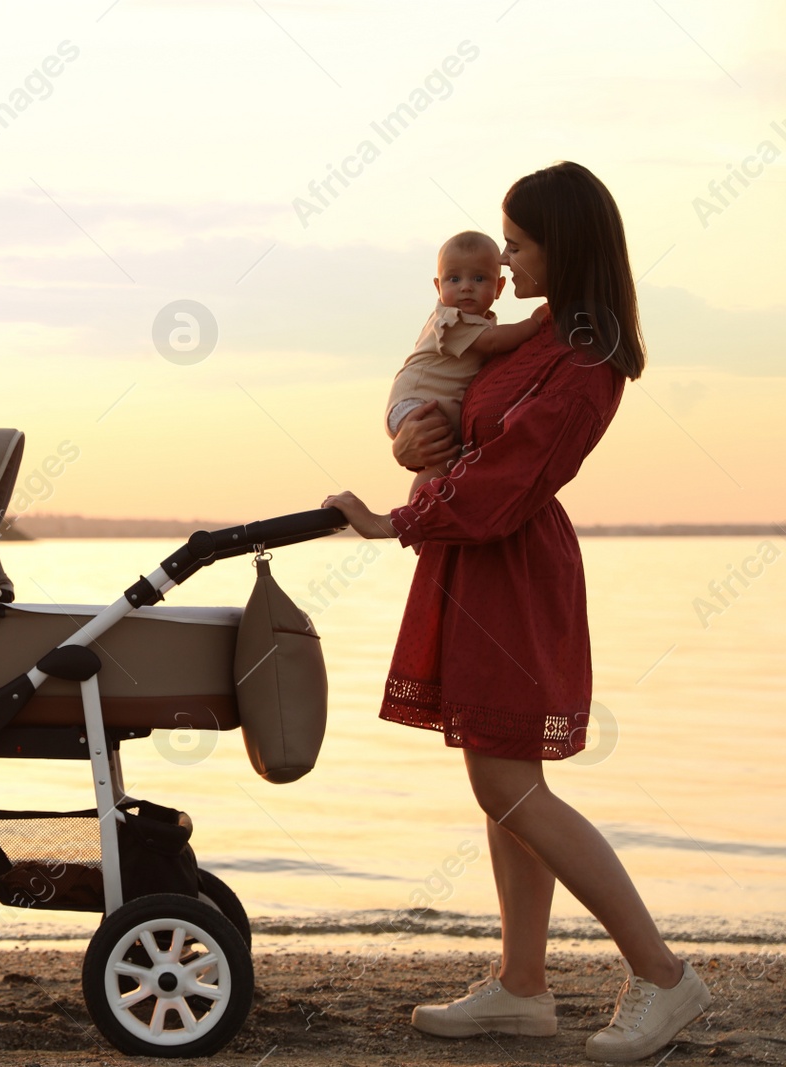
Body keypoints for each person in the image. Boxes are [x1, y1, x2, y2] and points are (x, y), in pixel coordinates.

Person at [321, 161, 713, 1064]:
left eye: (519, 241)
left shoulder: (585, 360)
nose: (502, 256)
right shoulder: (539, 333)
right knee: (501, 782)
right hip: (479, 558)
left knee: (511, 785)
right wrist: (408, 439)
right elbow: (454, 417)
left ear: (562, 246)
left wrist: (396, 520)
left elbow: (507, 479)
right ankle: (524, 987)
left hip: (512, 564)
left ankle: (662, 975)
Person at [386, 230, 548, 502]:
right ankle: (417, 510)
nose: (465, 286)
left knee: (450, 463)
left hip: (426, 404)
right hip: (416, 404)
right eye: (454, 278)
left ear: (498, 288)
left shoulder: (476, 322)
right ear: (438, 287)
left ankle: (430, 510)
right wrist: (534, 323)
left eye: (479, 278)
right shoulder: (450, 320)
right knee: (442, 459)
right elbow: (494, 342)